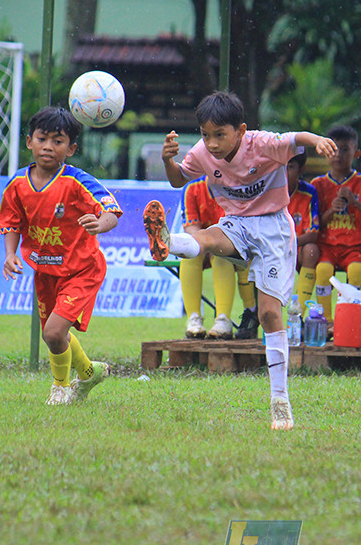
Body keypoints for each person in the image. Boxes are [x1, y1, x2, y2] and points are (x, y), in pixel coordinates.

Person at [143, 91, 338, 430]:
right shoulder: (204, 153)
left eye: (220, 134)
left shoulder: (263, 144)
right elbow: (177, 180)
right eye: (205, 135)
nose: (212, 143)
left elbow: (296, 139)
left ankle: (280, 401)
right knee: (207, 237)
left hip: (275, 228)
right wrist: (167, 160)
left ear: (241, 130)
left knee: (268, 313)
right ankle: (167, 241)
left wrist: (319, 140)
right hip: (237, 224)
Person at [0, 106, 122, 405]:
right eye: (42, 139)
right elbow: (12, 221)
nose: (48, 147)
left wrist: (99, 223)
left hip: (82, 269)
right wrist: (11, 254)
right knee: (55, 336)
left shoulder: (78, 182)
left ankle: (60, 389)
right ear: (29, 142)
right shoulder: (17, 184)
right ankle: (90, 372)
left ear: (71, 148)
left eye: (58, 141)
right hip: (45, 271)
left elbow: (111, 211)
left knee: (53, 332)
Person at [311, 125, 361, 327]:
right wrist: (332, 210)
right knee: (323, 271)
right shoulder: (318, 184)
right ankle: (326, 321)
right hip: (328, 246)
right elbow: (317, 224)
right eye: (333, 149)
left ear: (356, 153)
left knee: (357, 271)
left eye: (345, 149)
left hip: (353, 247)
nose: (338, 155)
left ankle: (349, 320)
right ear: (325, 152)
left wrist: (356, 203)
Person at [178, 176, 257, 340]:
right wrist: (207, 243)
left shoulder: (238, 188)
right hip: (203, 245)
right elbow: (191, 229)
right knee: (189, 255)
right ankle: (194, 319)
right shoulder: (192, 188)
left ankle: (223, 319)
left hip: (235, 247)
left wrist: (214, 245)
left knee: (222, 255)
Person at [285, 150, 321, 300]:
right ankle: (254, 311)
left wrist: (290, 244)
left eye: (290, 167)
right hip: (271, 247)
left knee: (311, 250)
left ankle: (298, 310)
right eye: (281, 166)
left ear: (301, 170)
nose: (284, 172)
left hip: (296, 247)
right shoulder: (267, 191)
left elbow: (313, 233)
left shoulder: (309, 192)